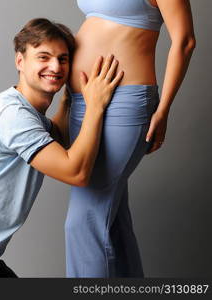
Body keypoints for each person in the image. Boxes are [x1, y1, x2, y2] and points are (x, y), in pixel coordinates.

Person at [0, 18, 123, 278]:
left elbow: (56, 137)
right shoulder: (13, 115)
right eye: (43, 57)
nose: (55, 66)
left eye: (63, 59)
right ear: (20, 61)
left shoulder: (29, 113)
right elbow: (75, 173)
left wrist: (70, 99)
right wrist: (95, 107)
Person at [65, 0, 196, 277]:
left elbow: (184, 41)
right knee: (113, 224)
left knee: (85, 221)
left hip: (123, 102)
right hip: (82, 100)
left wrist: (163, 110)